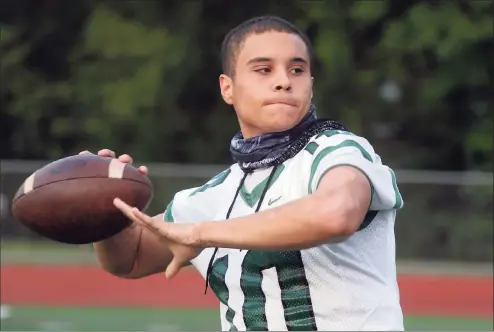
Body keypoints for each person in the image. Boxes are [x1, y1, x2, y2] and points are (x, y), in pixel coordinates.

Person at [83, 16, 404, 331]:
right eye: (264, 69)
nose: (284, 81)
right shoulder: (212, 196)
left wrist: (200, 233)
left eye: (297, 69)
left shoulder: (338, 150)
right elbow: (131, 258)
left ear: (310, 84)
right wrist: (103, 208)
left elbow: (337, 215)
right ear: (228, 88)